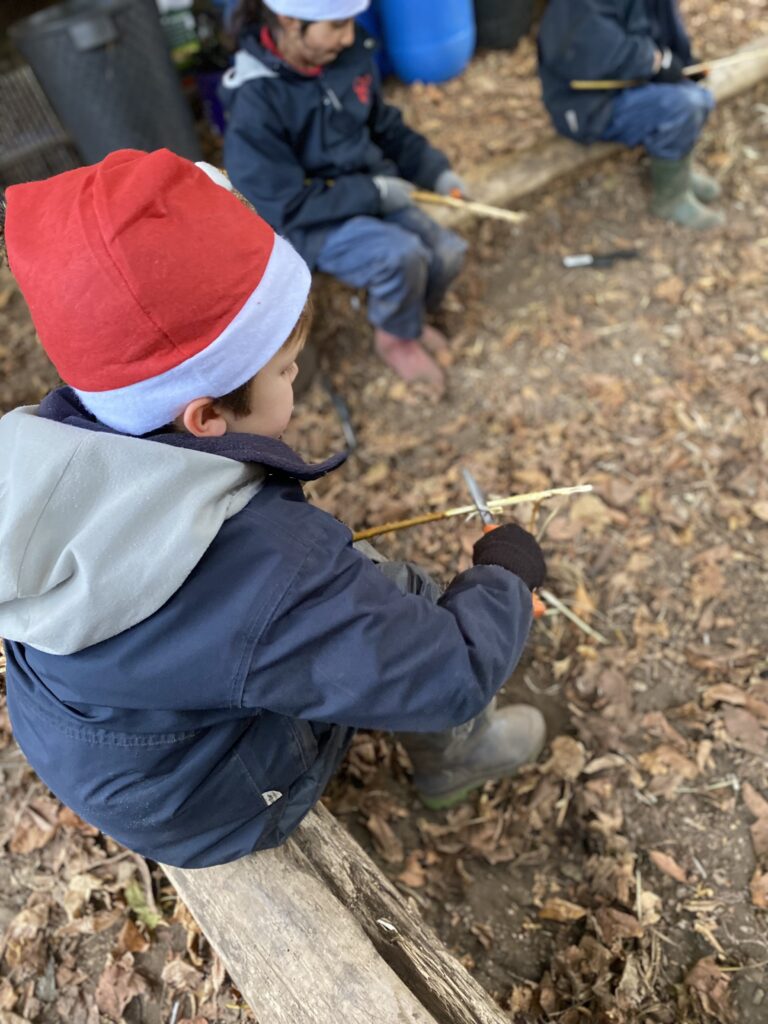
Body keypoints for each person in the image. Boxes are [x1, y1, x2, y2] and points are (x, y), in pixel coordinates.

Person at [0, 149, 547, 869]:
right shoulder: (267, 573)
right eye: (286, 370)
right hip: (203, 803)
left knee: (353, 594)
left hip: (114, 754)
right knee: (403, 594)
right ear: (203, 418)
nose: (297, 384)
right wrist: (506, 573)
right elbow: (451, 673)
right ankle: (454, 762)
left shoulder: (53, 438)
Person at [221, 0, 470, 394]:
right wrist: (372, 193)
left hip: (369, 189)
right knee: (401, 256)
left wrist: (435, 170)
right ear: (289, 20)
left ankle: (411, 317)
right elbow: (283, 203)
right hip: (312, 220)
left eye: (351, 22)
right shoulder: (256, 99)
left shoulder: (349, 55)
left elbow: (384, 126)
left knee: (446, 251)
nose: (350, 36)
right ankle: (395, 338)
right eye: (337, 25)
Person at [538, 0, 725, 229]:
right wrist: (655, 62)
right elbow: (598, 50)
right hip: (588, 107)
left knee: (696, 95)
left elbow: (660, 28)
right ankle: (670, 199)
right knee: (687, 105)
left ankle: (678, 176)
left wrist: (684, 65)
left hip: (628, 84)